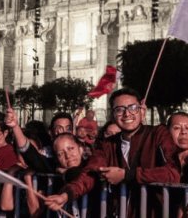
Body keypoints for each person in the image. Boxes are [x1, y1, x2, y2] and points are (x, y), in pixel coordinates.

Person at [44, 87, 180, 217]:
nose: (127, 114)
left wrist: (128, 175)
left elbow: (173, 174)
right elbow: (90, 173)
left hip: (155, 211)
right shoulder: (107, 145)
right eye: (120, 110)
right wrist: (66, 195)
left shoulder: (158, 134)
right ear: (113, 115)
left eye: (133, 108)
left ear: (142, 111)